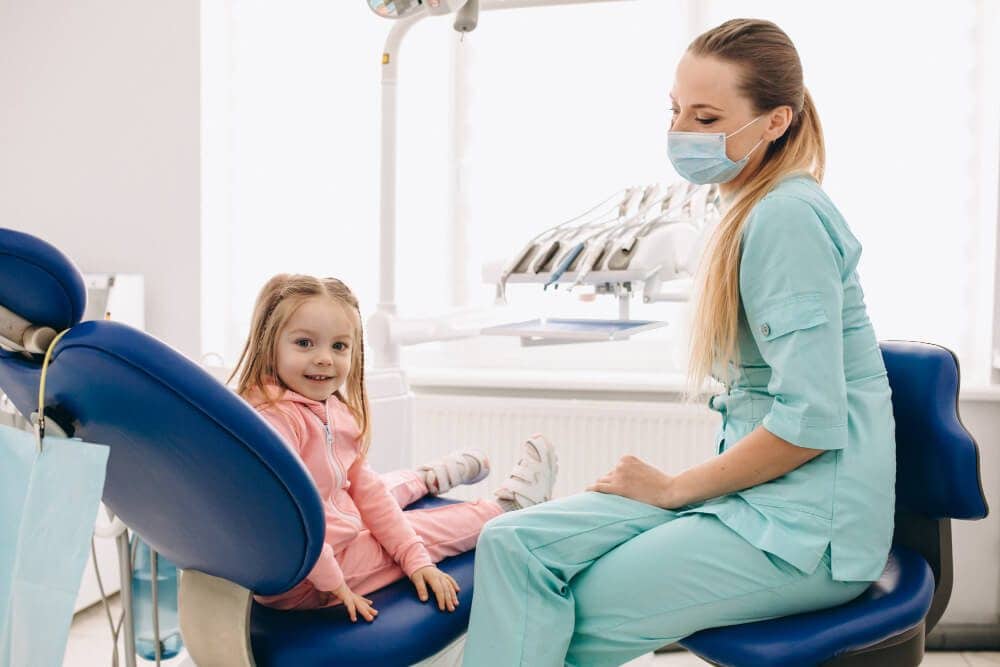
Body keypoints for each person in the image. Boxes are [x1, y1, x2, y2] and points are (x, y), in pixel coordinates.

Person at [462, 18, 895, 666]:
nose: (682, 133)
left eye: (706, 116)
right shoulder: (741, 208)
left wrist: (673, 488)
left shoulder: (786, 218)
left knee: (558, 609)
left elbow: (812, 423)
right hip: (755, 505)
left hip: (808, 532)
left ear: (775, 121)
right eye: (676, 111)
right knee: (510, 543)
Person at [230, 273, 558, 621]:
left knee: (373, 486)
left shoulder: (330, 409)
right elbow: (287, 528)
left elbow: (366, 490)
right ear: (269, 343)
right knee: (421, 532)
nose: (325, 358)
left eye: (339, 346)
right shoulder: (274, 423)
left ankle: (427, 479)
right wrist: (348, 582)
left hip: (329, 534)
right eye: (304, 343)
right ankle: (509, 506)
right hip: (309, 579)